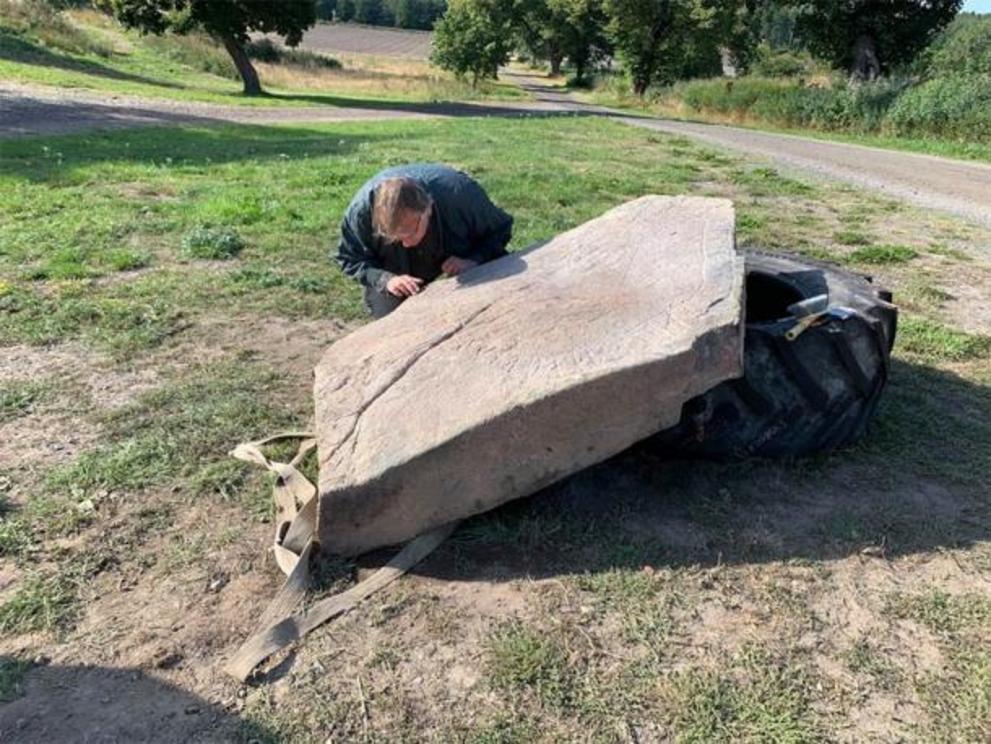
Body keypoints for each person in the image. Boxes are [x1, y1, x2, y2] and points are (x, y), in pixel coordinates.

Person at [336, 163, 514, 318]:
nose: (406, 243)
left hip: (461, 251)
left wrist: (474, 259)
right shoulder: (361, 213)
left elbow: (500, 229)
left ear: (428, 208)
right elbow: (349, 258)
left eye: (410, 233)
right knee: (391, 318)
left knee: (497, 289)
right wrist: (385, 280)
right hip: (396, 271)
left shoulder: (461, 195)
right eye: (395, 238)